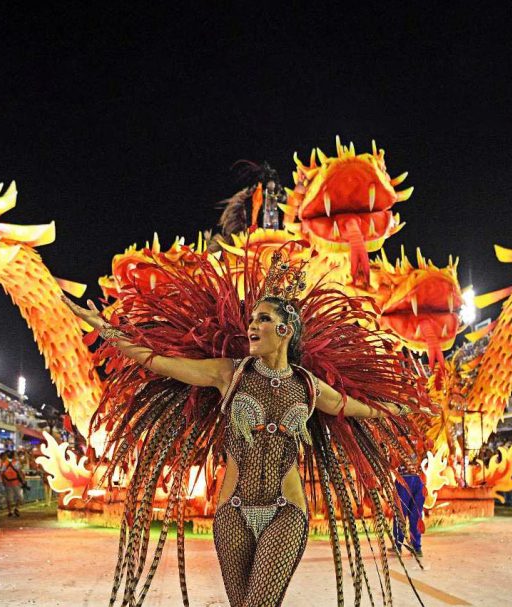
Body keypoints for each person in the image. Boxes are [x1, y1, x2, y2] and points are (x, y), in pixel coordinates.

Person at [63, 249, 422, 607]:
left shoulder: (307, 385)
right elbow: (160, 362)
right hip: (232, 511)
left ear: (285, 330)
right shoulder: (229, 373)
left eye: (262, 319)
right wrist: (103, 327)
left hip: (287, 510)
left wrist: (400, 407)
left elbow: (355, 407)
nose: (251, 326)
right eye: (251, 318)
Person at [0, 451, 24, 517]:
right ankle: (11, 510)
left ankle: (15, 509)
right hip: (11, 483)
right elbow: (20, 472)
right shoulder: (11, 463)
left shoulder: (8, 463)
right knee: (12, 498)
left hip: (13, 482)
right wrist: (23, 481)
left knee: (16, 497)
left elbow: (2, 473)